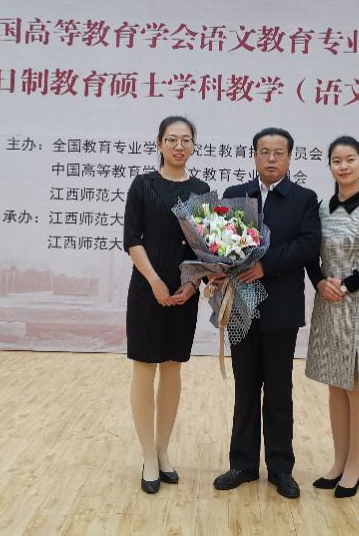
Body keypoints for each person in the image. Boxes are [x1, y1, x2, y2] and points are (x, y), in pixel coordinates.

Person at [212, 127, 321, 499]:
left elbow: (308, 245)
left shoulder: (304, 199)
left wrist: (265, 265)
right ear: (254, 156)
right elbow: (219, 244)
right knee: (245, 387)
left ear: (289, 157)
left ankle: (280, 468)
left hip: (281, 308)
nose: (271, 158)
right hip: (241, 304)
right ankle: (242, 464)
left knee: (278, 390)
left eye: (278, 152)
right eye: (264, 151)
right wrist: (214, 269)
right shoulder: (235, 195)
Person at [123, 115, 210, 494]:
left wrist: (193, 284)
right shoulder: (143, 185)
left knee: (173, 368)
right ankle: (147, 456)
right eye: (172, 139)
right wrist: (156, 281)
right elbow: (132, 239)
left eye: (186, 139)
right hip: (147, 290)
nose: (179, 146)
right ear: (159, 143)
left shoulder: (201, 190)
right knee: (145, 369)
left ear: (193, 146)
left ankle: (162, 451)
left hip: (184, 293)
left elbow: (206, 248)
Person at [305, 135, 359, 498]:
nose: (343, 166)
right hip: (328, 305)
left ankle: (355, 466)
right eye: (337, 161)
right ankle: (339, 462)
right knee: (335, 385)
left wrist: (346, 284)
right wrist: (319, 282)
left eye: (350, 159)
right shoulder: (321, 208)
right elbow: (310, 253)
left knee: (357, 387)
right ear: (329, 166)